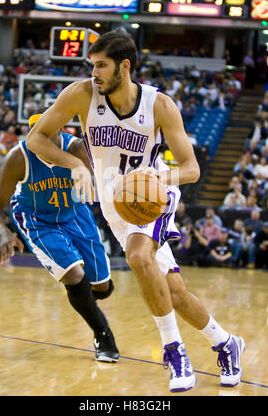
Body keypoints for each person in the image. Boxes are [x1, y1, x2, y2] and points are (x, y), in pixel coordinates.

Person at [26, 29, 245, 392]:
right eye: (92, 65)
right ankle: (226, 343)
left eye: (101, 65)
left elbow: (192, 169)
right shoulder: (81, 94)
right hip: (114, 204)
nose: (93, 73)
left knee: (140, 257)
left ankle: (174, 353)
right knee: (172, 292)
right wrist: (75, 164)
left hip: (152, 196)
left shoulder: (159, 105)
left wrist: (159, 175)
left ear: (124, 66)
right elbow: (36, 138)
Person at [0, 110, 119, 364]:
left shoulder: (76, 148)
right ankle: (103, 335)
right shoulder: (19, 157)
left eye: (45, 132)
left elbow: (108, 178)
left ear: (60, 131)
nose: (38, 138)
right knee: (74, 277)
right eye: (34, 132)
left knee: (103, 287)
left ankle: (83, 296)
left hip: (75, 214)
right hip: (38, 220)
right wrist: (4, 233)